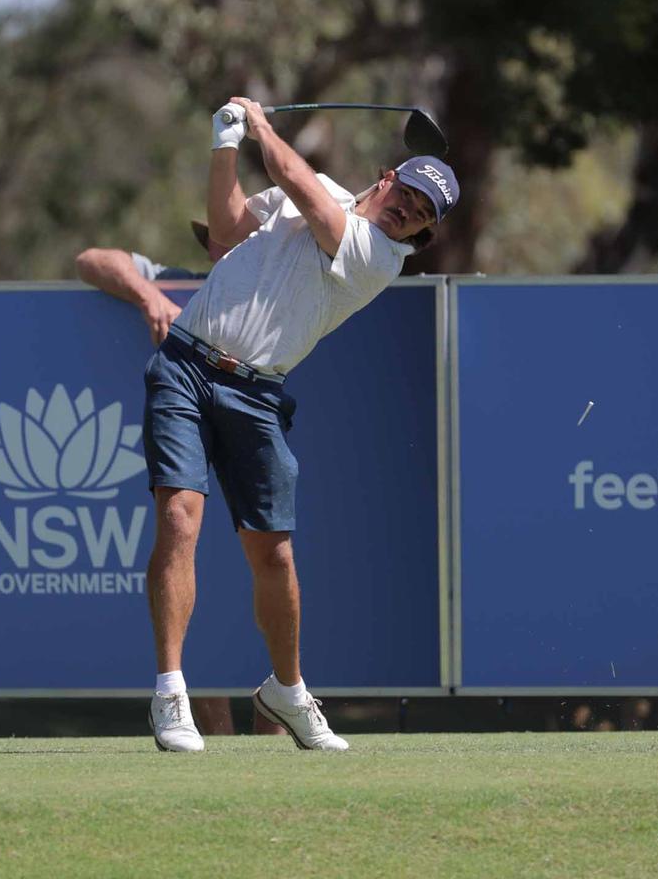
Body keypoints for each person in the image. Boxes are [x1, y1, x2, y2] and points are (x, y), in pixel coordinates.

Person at [144, 97, 460, 753]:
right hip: (184, 365)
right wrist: (225, 146)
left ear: (419, 233)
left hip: (257, 395)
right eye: (408, 195)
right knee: (179, 518)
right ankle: (170, 692)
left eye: (422, 215)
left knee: (274, 553)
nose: (408, 213)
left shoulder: (378, 257)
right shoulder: (322, 192)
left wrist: (260, 125)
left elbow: (303, 193)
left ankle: (286, 690)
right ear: (387, 180)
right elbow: (229, 231)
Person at [75, 242, 285, 738]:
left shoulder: (289, 280)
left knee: (274, 570)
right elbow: (91, 260)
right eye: (215, 232)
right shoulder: (180, 277)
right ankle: (188, 716)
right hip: (181, 420)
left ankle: (280, 722)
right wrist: (150, 297)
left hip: (259, 427)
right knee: (182, 554)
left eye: (243, 229)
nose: (226, 240)